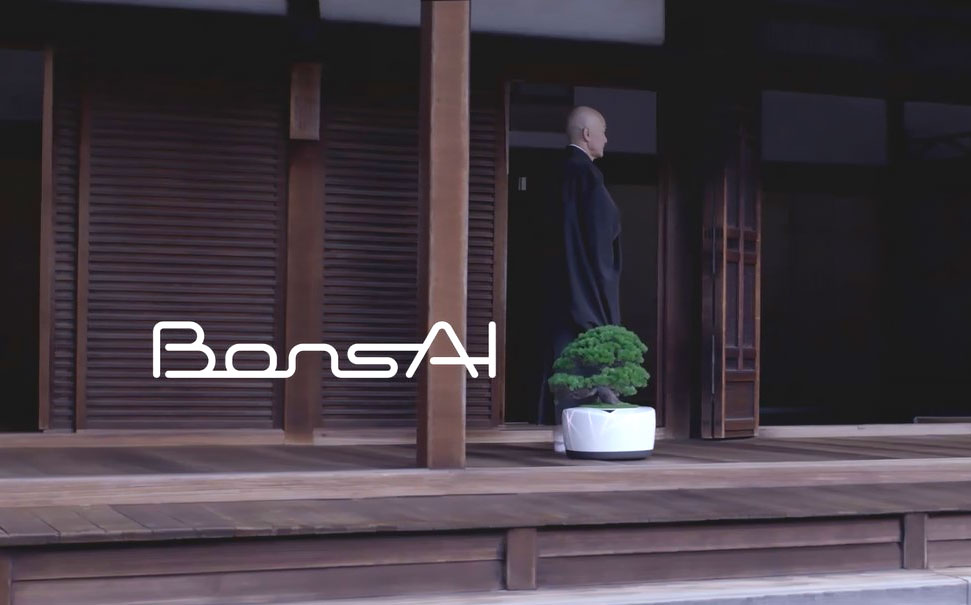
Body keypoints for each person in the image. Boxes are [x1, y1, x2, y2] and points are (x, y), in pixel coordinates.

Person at [537, 105, 623, 452]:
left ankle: (562, 433)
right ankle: (581, 437)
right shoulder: (587, 176)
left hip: (558, 283)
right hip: (585, 283)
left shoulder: (554, 172)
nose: (607, 139)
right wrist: (602, 282)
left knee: (563, 354)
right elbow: (600, 237)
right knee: (583, 355)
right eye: (603, 132)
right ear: (587, 135)